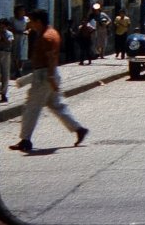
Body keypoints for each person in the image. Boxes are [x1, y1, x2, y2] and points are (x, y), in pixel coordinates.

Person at [8, 8, 89, 153]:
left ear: (38, 21)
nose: (29, 24)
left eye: (31, 21)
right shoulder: (49, 33)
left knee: (31, 107)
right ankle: (78, 128)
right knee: (57, 105)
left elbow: (51, 57)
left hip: (44, 76)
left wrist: (51, 77)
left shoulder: (47, 37)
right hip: (47, 74)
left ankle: (25, 140)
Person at [12, 5, 30, 77]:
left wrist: (27, 31)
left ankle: (20, 70)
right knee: (15, 54)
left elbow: (29, 28)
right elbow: (11, 27)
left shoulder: (26, 19)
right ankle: (16, 70)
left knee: (22, 54)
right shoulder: (13, 19)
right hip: (15, 38)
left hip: (23, 38)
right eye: (21, 10)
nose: (23, 12)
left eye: (23, 10)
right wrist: (16, 31)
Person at [0, 18, 14, 102]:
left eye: (3, 25)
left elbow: (9, 42)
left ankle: (4, 93)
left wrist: (3, 35)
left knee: (5, 73)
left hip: (6, 53)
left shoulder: (9, 34)